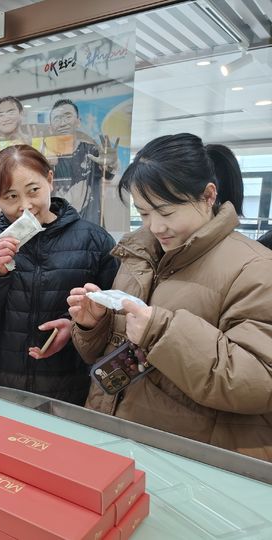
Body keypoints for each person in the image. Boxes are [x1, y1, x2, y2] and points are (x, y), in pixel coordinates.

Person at [68, 133, 272, 461]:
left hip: (188, 457)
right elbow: (114, 355)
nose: (156, 226)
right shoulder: (139, 254)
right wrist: (95, 326)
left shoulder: (256, 268)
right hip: (113, 434)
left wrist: (162, 332)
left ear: (208, 195)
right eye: (144, 212)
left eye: (166, 211)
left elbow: (260, 382)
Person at [0, 145, 117, 403]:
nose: (25, 206)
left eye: (33, 190)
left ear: (49, 179)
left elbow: (113, 319)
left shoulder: (94, 241)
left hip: (67, 386)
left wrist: (78, 327)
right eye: (11, 197)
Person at [46, 98, 119, 225]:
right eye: (56, 119)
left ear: (78, 122)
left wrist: (111, 164)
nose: (62, 123)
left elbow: (108, 175)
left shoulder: (91, 151)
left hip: (89, 227)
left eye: (68, 117)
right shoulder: (44, 155)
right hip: (57, 228)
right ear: (51, 126)